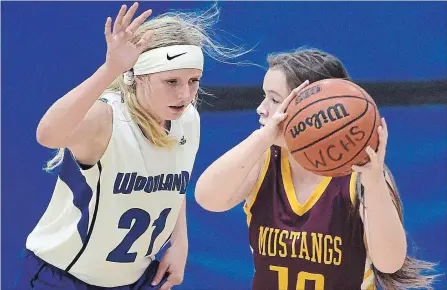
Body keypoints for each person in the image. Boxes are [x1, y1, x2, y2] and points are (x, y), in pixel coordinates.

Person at [17, 2, 245, 290]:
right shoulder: (107, 119)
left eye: (193, 81)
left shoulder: (188, 119)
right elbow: (47, 135)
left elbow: (174, 186)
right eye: (171, 81)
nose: (185, 94)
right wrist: (110, 68)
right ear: (137, 77)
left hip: (136, 279)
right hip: (63, 279)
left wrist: (179, 242)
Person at [195, 49, 438, 289]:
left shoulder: (359, 176)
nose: (261, 108)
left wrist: (374, 184)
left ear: (314, 110)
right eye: (264, 97)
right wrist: (261, 138)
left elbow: (389, 263)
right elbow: (207, 198)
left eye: (275, 100)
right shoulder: (263, 159)